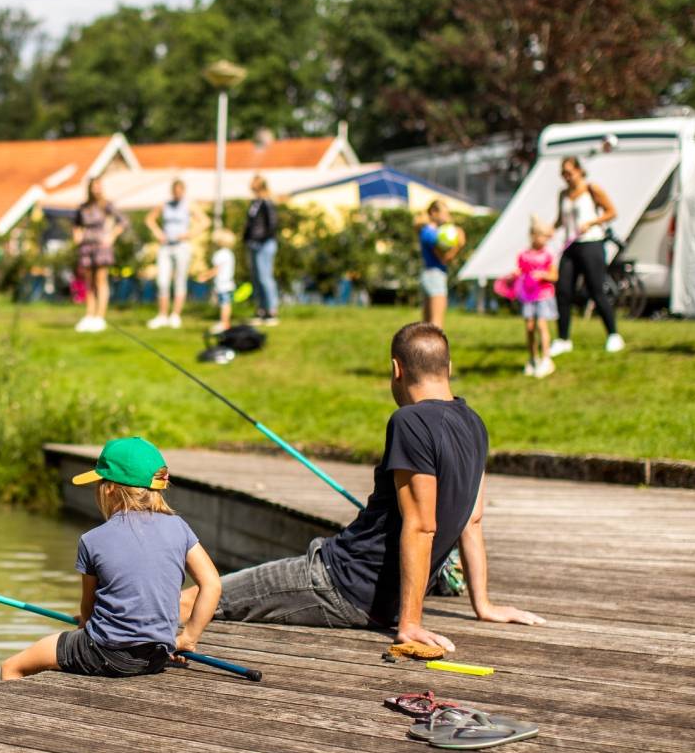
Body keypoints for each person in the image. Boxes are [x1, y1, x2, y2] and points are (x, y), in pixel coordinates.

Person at [180, 323, 544, 652]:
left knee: (198, 597)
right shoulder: (475, 424)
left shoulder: (410, 421)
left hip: (339, 582)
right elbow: (473, 520)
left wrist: (410, 623)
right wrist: (483, 605)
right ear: (447, 369)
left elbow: (421, 525)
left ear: (396, 369)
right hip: (371, 593)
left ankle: (127, 628)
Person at [1, 437, 221, 680]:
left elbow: (88, 609)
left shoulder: (92, 540)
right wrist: (188, 638)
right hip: (157, 654)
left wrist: (86, 622)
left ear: (110, 489)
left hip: (106, 653)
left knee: (12, 667)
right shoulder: (179, 527)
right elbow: (212, 584)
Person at [552, 156, 624, 355]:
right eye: (563, 173)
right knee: (563, 291)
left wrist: (592, 222)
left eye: (569, 172)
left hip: (591, 243)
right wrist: (549, 230)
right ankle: (563, 338)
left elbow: (611, 212)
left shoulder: (592, 190)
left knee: (596, 290)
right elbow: (560, 219)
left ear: (579, 171)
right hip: (570, 245)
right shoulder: (563, 194)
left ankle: (613, 335)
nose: (566, 177)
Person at [146, 180, 208, 329]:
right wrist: (158, 233)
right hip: (166, 246)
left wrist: (189, 234)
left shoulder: (189, 205)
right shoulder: (165, 204)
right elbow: (150, 219)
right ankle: (162, 315)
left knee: (180, 280)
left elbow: (205, 222)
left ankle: (175, 315)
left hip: (181, 246)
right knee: (162, 281)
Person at [73, 177, 127, 333]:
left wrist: (112, 236)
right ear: (89, 188)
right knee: (89, 282)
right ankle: (89, 315)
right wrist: (77, 236)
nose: (96, 189)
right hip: (86, 246)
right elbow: (76, 225)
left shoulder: (106, 205)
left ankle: (100, 316)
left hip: (101, 246)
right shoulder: (82, 207)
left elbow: (123, 221)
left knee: (100, 281)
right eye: (94, 186)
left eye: (99, 186)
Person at [516, 216, 560, 378]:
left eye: (545, 236)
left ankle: (546, 359)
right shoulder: (523, 255)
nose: (543, 239)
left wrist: (543, 274)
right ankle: (533, 358)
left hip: (543, 295)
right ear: (533, 235)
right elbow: (521, 273)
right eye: (540, 235)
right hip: (528, 296)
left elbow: (554, 276)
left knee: (542, 325)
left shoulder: (548, 255)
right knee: (529, 327)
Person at [417, 200, 464, 330]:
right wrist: (458, 245)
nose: (447, 218)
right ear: (433, 212)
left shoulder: (426, 231)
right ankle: (435, 350)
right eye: (444, 214)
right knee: (436, 324)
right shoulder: (431, 234)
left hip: (428, 275)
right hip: (435, 276)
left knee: (427, 324)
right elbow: (444, 258)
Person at [243, 175, 280, 326]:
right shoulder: (255, 203)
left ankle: (271, 310)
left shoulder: (267, 203)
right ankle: (261, 310)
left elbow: (272, 225)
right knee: (257, 278)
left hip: (264, 244)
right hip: (253, 244)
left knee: (265, 277)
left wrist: (261, 239)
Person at [201, 229, 238, 334]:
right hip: (228, 283)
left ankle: (224, 323)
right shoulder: (229, 253)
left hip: (223, 284)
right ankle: (225, 322)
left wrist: (205, 276)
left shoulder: (220, 254)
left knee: (224, 304)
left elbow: (217, 269)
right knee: (225, 304)